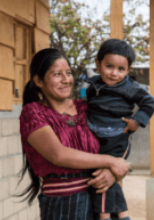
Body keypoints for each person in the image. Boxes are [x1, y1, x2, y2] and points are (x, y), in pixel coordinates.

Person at [18, 48, 131, 220]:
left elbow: (119, 135)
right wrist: (110, 161)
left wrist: (112, 171)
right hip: (64, 205)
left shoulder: (87, 107)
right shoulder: (33, 113)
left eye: (68, 73)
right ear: (39, 80)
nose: (66, 80)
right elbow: (58, 154)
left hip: (102, 200)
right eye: (57, 74)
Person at [86, 39, 154, 220]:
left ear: (128, 70)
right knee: (104, 176)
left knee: (102, 175)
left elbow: (150, 102)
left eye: (121, 69)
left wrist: (137, 121)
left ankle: (104, 216)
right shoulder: (93, 85)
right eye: (109, 66)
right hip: (94, 135)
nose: (114, 73)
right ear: (97, 63)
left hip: (116, 137)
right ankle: (122, 216)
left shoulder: (130, 87)